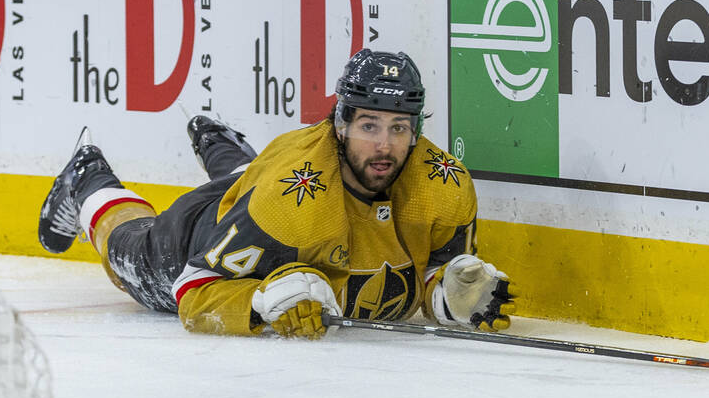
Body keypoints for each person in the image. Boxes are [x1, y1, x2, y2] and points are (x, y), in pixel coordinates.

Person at [37, 49, 517, 339]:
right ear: (341, 124)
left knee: (256, 177)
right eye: (369, 126)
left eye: (399, 128)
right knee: (128, 252)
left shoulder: (443, 183)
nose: (385, 146)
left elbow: (432, 273)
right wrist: (261, 302)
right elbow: (193, 290)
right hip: (195, 237)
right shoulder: (289, 203)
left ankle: (220, 143)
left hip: (266, 187)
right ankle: (87, 179)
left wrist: (450, 296)